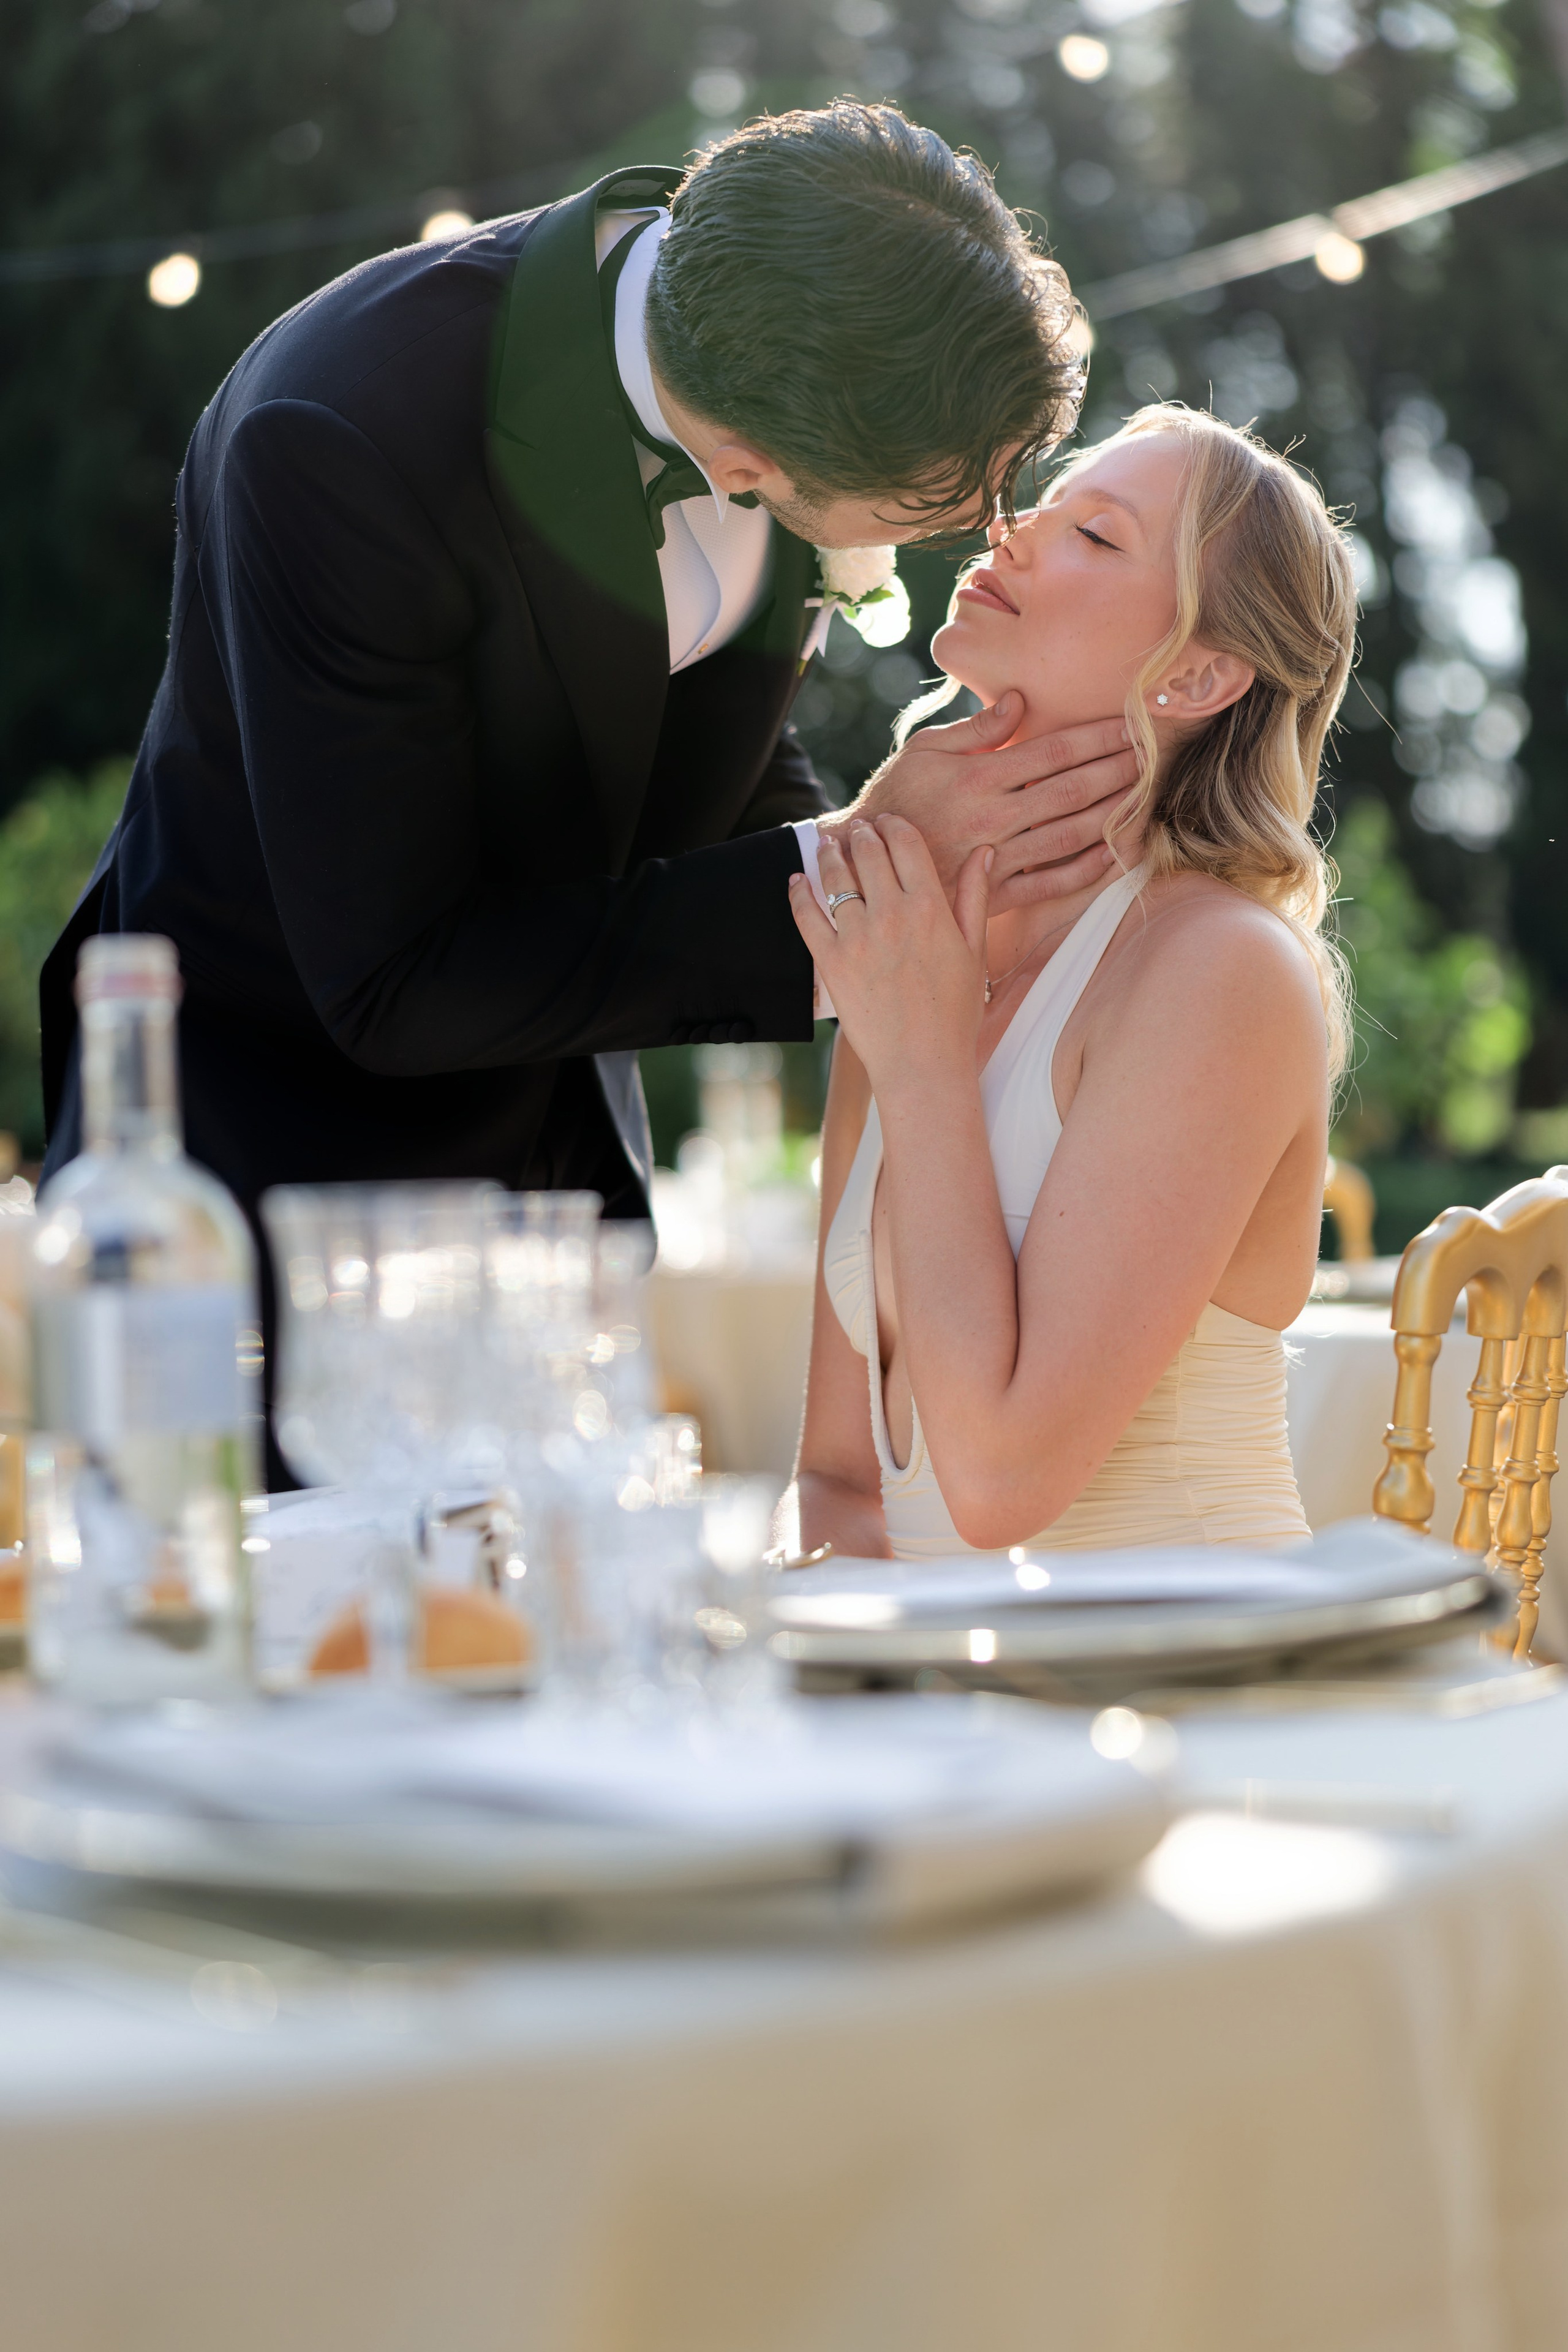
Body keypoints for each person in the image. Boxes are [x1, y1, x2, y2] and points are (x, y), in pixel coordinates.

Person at [37, 102, 1141, 1480]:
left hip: (559, 1212)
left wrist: (916, 873)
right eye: (934, 511)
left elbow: (692, 766)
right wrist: (858, 869)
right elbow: (396, 977)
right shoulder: (341, 435)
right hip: (280, 1217)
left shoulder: (776, 316)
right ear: (748, 467)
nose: (993, 526)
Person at [791, 405, 1356, 1559]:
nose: (1014, 531)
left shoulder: (1217, 969)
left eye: (1096, 536)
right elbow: (838, 1480)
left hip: (1193, 1695)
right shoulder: (910, 951)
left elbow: (998, 1487)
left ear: (1197, 673)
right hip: (952, 1711)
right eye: (1042, 505)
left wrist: (925, 1059)